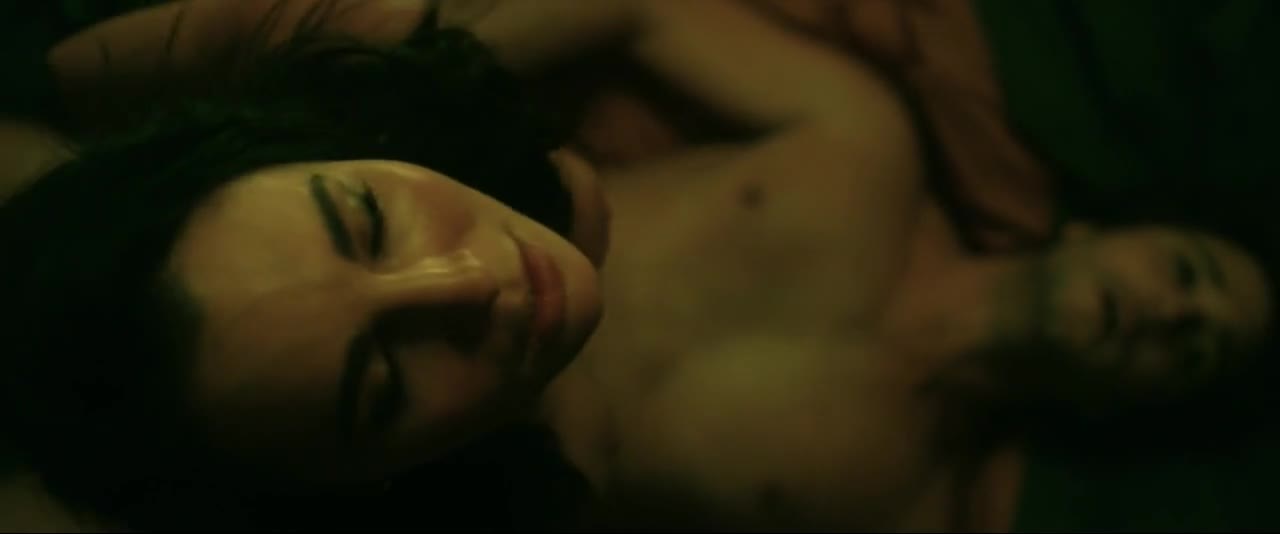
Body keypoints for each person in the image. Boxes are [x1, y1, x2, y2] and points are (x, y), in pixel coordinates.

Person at [3, 0, 1277, 530]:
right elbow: (641, 8)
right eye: (1188, 274)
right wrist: (434, 71)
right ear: (1082, 226)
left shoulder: (903, 502)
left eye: (1193, 348)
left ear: (1117, 418)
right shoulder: (862, 153)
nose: (1169, 314)